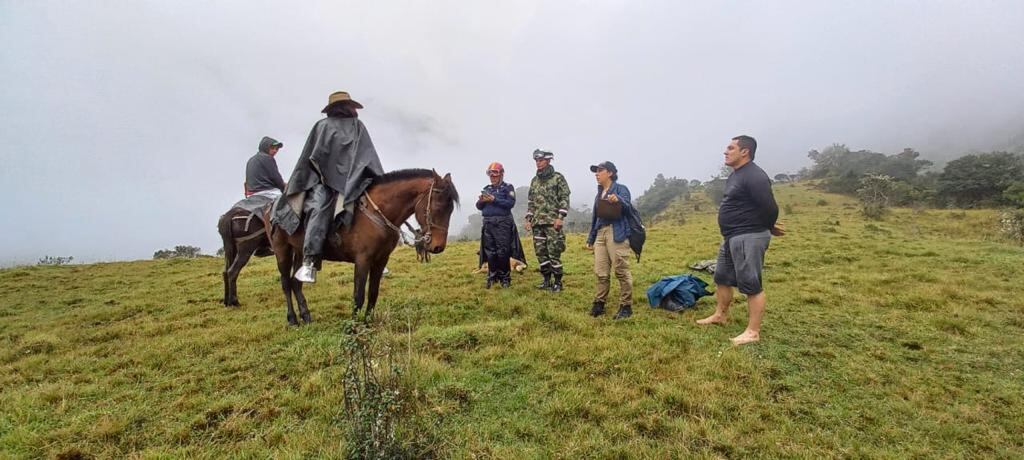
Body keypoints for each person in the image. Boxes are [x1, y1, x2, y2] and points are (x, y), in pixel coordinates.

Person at [272, 91, 384, 283]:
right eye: (350, 106)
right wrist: (327, 177)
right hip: (324, 182)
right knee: (320, 208)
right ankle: (310, 261)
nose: (353, 110)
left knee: (375, 206)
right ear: (343, 107)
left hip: (354, 179)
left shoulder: (358, 126)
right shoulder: (321, 127)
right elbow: (313, 156)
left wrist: (373, 177)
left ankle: (378, 254)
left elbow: (367, 154)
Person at [697, 135, 785, 345]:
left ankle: (753, 332)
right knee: (722, 277)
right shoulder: (735, 175)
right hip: (731, 236)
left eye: (730, 148)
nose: (725, 152)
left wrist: (767, 226)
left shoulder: (754, 176)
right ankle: (720, 315)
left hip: (749, 235)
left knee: (751, 283)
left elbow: (769, 206)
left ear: (744, 151)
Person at [585, 161, 634, 319]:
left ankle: (626, 306)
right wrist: (591, 238)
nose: (596, 174)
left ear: (610, 173)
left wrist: (617, 199)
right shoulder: (599, 194)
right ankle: (599, 303)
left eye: (600, 170)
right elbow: (595, 217)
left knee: (621, 270)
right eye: (596, 171)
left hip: (617, 231)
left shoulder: (621, 189)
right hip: (601, 233)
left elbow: (628, 207)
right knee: (601, 272)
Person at [525, 149, 571, 292]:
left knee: (553, 253)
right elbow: (531, 201)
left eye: (541, 160)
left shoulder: (558, 178)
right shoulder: (534, 180)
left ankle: (558, 282)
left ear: (548, 160)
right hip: (537, 223)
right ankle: (546, 280)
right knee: (541, 253)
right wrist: (528, 219)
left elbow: (564, 198)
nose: (538, 163)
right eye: (536, 161)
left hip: (553, 223)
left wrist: (560, 217)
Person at [475, 162, 522, 288]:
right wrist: (481, 200)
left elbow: (510, 204)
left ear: (501, 174)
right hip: (488, 222)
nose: (492, 176)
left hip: (502, 223)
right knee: (490, 252)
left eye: (495, 174)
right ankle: (492, 277)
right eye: (490, 174)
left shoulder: (508, 187)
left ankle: (505, 278)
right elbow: (479, 207)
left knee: (503, 251)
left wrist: (494, 200)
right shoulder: (487, 189)